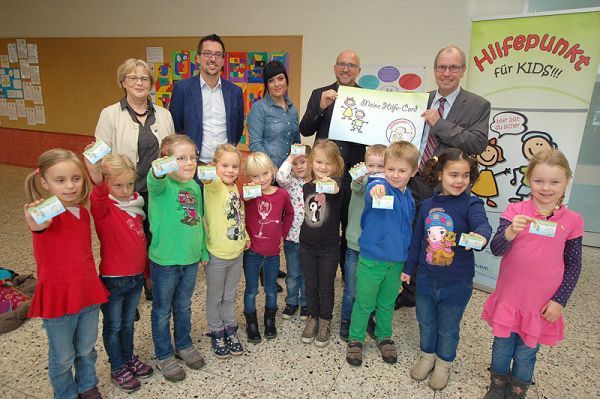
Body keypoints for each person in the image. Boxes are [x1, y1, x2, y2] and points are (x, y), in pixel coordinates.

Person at [395, 45, 492, 310]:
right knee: (414, 235)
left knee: (440, 239)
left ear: (463, 70)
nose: (446, 73)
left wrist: (439, 124)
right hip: (415, 182)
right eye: (441, 67)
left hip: (450, 188)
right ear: (435, 69)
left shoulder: (477, 105)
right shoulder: (420, 100)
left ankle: (436, 292)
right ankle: (409, 291)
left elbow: (477, 143)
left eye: (453, 67)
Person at [482, 149, 583, 399]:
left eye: (554, 182)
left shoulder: (572, 220)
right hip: (510, 298)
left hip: (540, 305)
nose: (546, 188)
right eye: (538, 181)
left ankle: (518, 390)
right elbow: (496, 249)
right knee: (502, 346)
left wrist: (560, 300)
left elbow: (573, 264)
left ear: (567, 181)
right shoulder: (515, 211)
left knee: (528, 351)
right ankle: (497, 384)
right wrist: (509, 233)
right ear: (529, 180)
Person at [403, 148, 492, 391]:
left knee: (449, 327)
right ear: (440, 174)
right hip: (426, 279)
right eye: (454, 174)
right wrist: (409, 269)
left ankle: (443, 364)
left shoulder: (472, 203)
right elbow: (418, 238)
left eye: (465, 175)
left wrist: (480, 235)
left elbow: (483, 226)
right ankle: (427, 356)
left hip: (457, 282)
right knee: (426, 322)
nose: (460, 180)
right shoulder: (429, 204)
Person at [24, 149, 109, 399]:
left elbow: (101, 194)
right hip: (59, 298)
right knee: (62, 357)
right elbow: (37, 224)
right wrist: (35, 218)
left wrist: (95, 170)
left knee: (86, 348)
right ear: (44, 183)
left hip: (87, 292)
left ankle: (87, 385)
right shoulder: (46, 213)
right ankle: (66, 394)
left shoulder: (82, 212)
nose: (70, 186)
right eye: (60, 180)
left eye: (75, 178)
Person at [95, 58, 175, 300]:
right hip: (124, 191)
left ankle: (150, 283)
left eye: (144, 78)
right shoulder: (110, 114)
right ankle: (126, 289)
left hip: (157, 189)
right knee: (125, 241)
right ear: (123, 82)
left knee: (154, 238)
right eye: (133, 78)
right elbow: (100, 154)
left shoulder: (163, 114)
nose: (139, 83)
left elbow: (171, 151)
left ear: (151, 84)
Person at [345, 141, 419, 367]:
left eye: (402, 170)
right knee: (364, 303)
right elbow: (373, 189)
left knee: (386, 303)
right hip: (372, 261)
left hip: (395, 263)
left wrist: (406, 266)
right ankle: (355, 339)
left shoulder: (410, 198)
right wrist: (377, 187)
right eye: (390, 169)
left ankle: (384, 335)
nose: (395, 175)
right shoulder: (378, 186)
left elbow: (408, 230)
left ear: (413, 172)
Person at [85, 152, 153, 392]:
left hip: (135, 278)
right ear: (107, 184)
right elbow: (99, 194)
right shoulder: (104, 208)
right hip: (114, 279)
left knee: (128, 322)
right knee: (114, 325)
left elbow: (140, 241)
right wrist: (97, 178)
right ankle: (117, 366)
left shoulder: (135, 204)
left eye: (130, 184)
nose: (125, 190)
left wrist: (146, 274)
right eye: (118, 185)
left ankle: (128, 357)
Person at [299, 50, 366, 274]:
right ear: (334, 67)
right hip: (323, 176)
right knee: (322, 222)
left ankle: (347, 274)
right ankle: (321, 268)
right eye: (341, 64)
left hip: (353, 176)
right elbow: (305, 129)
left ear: (358, 70)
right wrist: (321, 107)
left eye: (351, 65)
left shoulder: (368, 98)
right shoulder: (320, 94)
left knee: (349, 225)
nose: (345, 69)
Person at [147, 135, 208, 382]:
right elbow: (155, 176)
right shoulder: (161, 186)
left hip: (191, 259)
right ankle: (164, 354)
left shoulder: (194, 186)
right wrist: (163, 165)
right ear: (167, 160)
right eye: (181, 158)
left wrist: (202, 251)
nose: (189, 163)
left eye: (192, 158)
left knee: (183, 305)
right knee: (162, 310)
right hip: (165, 262)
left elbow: (199, 222)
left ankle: (183, 344)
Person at [202, 144, 248, 358]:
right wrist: (210, 172)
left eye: (234, 166)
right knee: (215, 296)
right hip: (218, 254)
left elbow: (239, 214)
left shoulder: (233, 188)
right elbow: (207, 178)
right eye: (225, 165)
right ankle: (216, 331)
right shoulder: (214, 185)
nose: (230, 170)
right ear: (215, 166)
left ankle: (230, 329)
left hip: (236, 252)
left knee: (230, 295)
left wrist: (245, 236)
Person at [242, 152, 294, 342]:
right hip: (252, 252)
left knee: (271, 289)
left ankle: (269, 320)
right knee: (251, 289)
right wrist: (246, 194)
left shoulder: (282, 195)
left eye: (264, 174)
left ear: (272, 171)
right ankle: (251, 322)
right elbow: (240, 203)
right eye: (255, 176)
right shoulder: (250, 193)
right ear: (249, 177)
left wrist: (283, 234)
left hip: (272, 253)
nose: (261, 179)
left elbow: (289, 214)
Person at [170, 34, 244, 164]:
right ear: (198, 58)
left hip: (225, 167)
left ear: (223, 60)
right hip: (193, 166)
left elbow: (237, 129)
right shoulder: (182, 89)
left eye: (218, 54)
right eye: (207, 54)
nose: (213, 59)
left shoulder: (235, 92)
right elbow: (177, 126)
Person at [299, 139, 344, 347]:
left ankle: (325, 320)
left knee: (326, 286)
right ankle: (313, 317)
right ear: (311, 162)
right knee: (310, 285)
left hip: (329, 248)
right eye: (318, 162)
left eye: (328, 163)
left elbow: (334, 188)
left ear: (336, 165)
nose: (323, 167)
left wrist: (326, 182)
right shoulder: (307, 186)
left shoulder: (337, 185)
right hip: (307, 246)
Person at [339, 144, 386, 342]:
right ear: (365, 165)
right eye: (371, 165)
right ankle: (346, 320)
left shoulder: (388, 186)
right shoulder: (361, 181)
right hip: (355, 246)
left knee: (371, 289)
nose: (375, 170)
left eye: (381, 166)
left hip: (375, 249)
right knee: (351, 290)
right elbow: (356, 185)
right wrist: (359, 176)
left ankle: (366, 318)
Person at [276, 146, 312, 321]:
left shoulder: (317, 183)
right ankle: (291, 302)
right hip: (291, 237)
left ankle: (305, 304)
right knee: (292, 274)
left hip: (309, 240)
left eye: (303, 162)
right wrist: (291, 157)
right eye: (295, 164)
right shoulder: (290, 182)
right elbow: (280, 176)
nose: (299, 167)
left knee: (306, 274)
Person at [248, 60, 300, 168]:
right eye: (271, 81)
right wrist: (272, 169)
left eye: (280, 79)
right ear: (266, 85)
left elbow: (296, 143)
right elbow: (255, 145)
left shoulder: (293, 109)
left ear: (286, 80)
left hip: (289, 173)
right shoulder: (259, 108)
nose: (277, 84)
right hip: (267, 173)